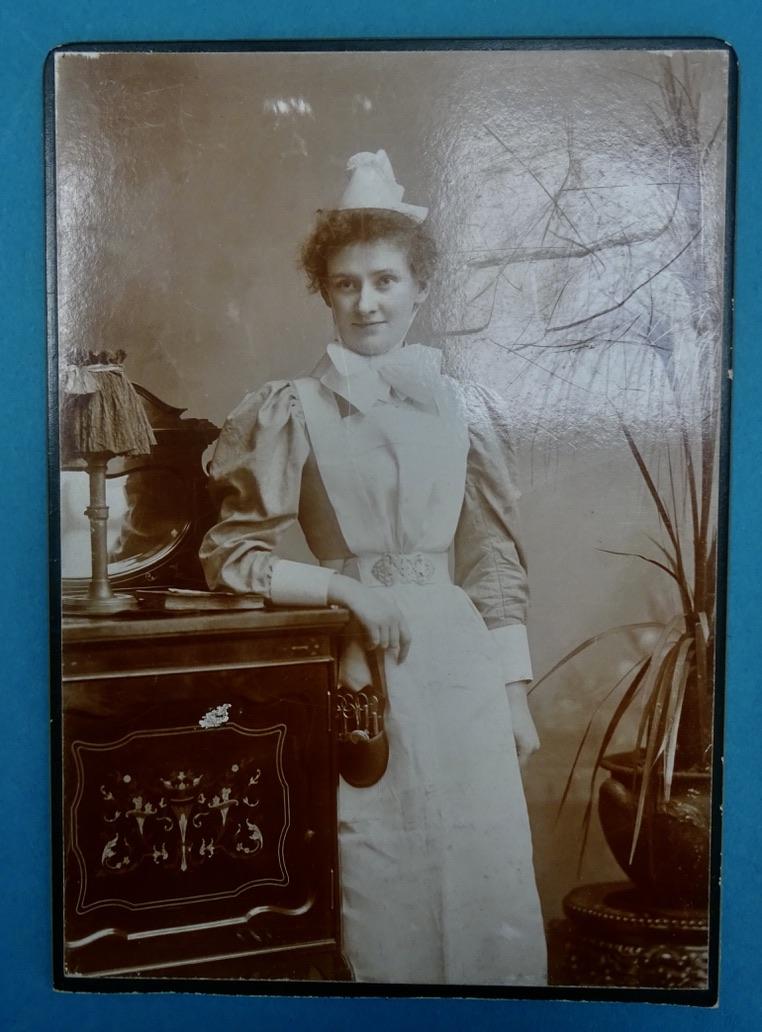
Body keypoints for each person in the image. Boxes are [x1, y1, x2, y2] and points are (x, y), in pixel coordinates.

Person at [200, 150, 547, 985]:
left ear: (420, 289)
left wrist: (513, 692)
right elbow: (230, 557)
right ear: (324, 292)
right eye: (348, 284)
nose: (367, 302)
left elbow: (491, 557)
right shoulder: (293, 407)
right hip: (355, 671)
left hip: (460, 666)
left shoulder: (464, 406)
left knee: (480, 869)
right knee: (378, 869)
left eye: (386, 281)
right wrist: (341, 587)